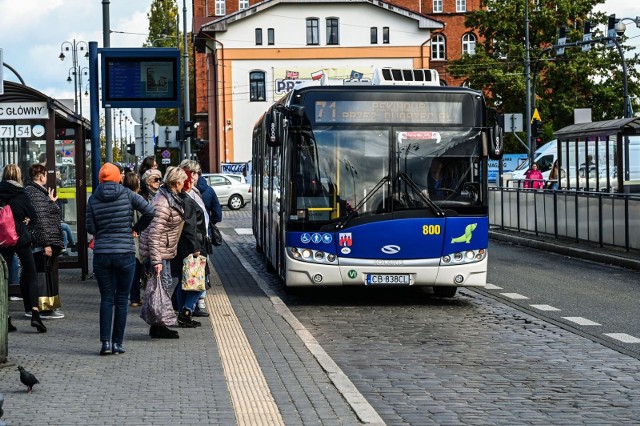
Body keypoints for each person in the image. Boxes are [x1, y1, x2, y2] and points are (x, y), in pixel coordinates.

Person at [86, 163, 155, 355]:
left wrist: (103, 229)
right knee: (122, 298)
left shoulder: (93, 199)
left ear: (100, 179)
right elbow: (150, 211)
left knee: (106, 298)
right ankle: (118, 343)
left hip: (102, 255)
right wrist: (136, 228)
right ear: (119, 178)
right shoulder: (128, 194)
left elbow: (90, 228)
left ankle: (105, 343)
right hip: (125, 252)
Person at [139, 166, 188, 339]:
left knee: (163, 286)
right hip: (159, 250)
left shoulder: (170, 197)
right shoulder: (163, 202)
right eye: (182, 181)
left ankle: (159, 325)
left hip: (163, 249)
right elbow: (154, 233)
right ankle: (159, 325)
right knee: (162, 286)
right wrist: (156, 260)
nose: (184, 184)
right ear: (176, 182)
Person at [0, 164, 47, 333]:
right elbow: (33, 217)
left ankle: (5, 319)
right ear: (18, 176)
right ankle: (35, 313)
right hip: (20, 237)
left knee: (2, 279)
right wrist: (25, 220)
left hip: (3, 239)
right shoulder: (21, 194)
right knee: (31, 274)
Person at [25, 164, 65, 320]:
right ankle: (45, 308)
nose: (46, 178)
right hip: (43, 243)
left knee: (44, 273)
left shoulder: (35, 192)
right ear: (40, 176)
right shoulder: (35, 193)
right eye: (45, 175)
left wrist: (51, 202)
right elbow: (41, 220)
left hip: (42, 242)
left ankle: (43, 307)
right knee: (43, 274)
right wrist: (46, 244)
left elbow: (46, 214)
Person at [172, 165, 208, 327]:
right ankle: (186, 311)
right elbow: (190, 227)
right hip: (191, 248)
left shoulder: (179, 198)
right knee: (199, 282)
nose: (193, 179)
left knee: (183, 281)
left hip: (181, 247)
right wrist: (196, 248)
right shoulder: (186, 200)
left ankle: (181, 313)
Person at [122, 172, 144, 308]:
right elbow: (146, 215)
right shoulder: (136, 198)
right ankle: (134, 298)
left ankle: (128, 297)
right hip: (135, 238)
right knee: (136, 270)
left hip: (121, 239)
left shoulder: (120, 197)